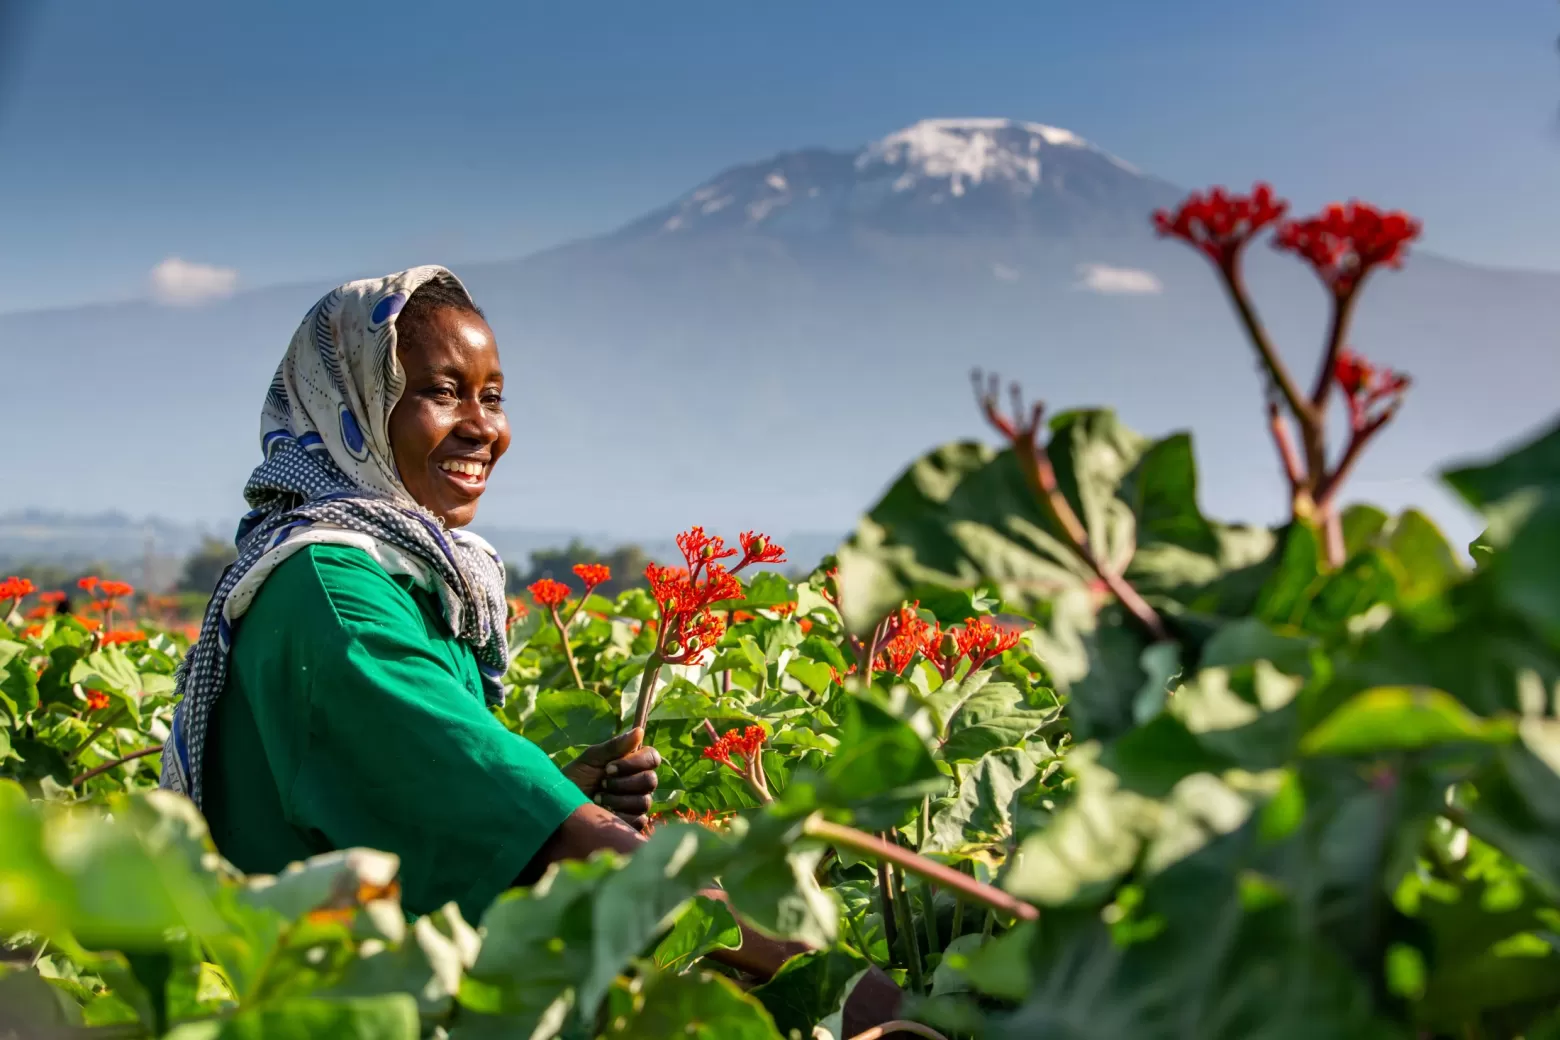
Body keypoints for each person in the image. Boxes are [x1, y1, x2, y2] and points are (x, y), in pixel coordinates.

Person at [157, 268, 901, 1018]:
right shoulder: (335, 594)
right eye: (442, 392)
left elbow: (404, 798)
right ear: (351, 400)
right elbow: (560, 846)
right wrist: (861, 994)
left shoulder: (394, 572)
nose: (483, 427)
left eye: (493, 395)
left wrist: (559, 789)